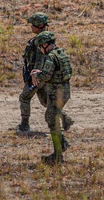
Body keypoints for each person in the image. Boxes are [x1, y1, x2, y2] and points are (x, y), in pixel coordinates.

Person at [18, 12, 73, 135]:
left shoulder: (41, 41)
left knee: (24, 97)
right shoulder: (46, 38)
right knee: (46, 102)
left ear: (39, 25)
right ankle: (65, 119)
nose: (31, 26)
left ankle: (24, 125)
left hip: (39, 77)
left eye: (33, 24)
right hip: (42, 76)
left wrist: (35, 78)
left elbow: (39, 61)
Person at [30, 31, 72, 164]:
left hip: (56, 92)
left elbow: (47, 76)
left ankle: (58, 155)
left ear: (45, 44)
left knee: (52, 120)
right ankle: (63, 144)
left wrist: (37, 74)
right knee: (53, 117)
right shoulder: (61, 53)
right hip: (64, 90)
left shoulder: (51, 57)